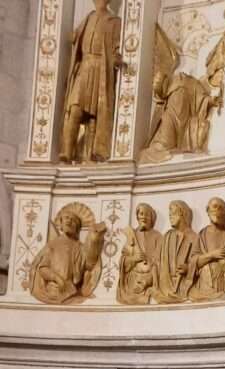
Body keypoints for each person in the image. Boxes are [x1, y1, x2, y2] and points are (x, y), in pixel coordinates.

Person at [60, 0, 122, 163]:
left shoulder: (114, 22)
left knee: (96, 114)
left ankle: (95, 152)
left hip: (100, 68)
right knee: (75, 109)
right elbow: (76, 37)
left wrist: (116, 58)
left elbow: (116, 46)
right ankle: (67, 151)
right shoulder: (88, 18)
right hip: (85, 67)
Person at [29, 208, 106, 304]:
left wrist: (94, 240)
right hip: (54, 290)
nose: (69, 221)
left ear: (77, 229)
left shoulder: (80, 247)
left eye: (73, 220)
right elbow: (43, 268)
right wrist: (57, 279)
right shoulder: (52, 245)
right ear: (60, 224)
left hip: (72, 291)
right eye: (66, 218)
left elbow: (89, 265)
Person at [116, 203, 162, 305]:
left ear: (152, 218)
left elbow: (161, 260)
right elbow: (123, 261)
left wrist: (149, 277)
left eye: (147, 215)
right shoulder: (132, 236)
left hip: (151, 277)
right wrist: (134, 259)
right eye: (141, 214)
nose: (144, 217)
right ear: (137, 216)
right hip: (133, 279)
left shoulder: (158, 237)